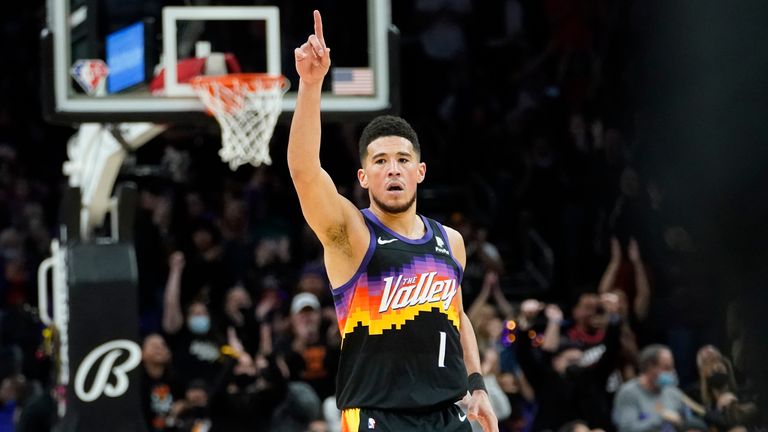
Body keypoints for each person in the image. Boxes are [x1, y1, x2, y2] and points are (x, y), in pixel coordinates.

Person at [288, 10, 497, 432]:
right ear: (364, 178)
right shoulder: (352, 233)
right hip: (375, 416)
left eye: (403, 160)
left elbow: (456, 312)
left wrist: (477, 385)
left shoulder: (449, 241)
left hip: (446, 414)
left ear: (420, 172)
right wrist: (311, 85)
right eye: (380, 161)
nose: (393, 169)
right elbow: (305, 171)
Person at [612, 344, 707, 432]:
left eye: (672, 367)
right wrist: (660, 418)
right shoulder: (628, 393)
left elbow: (691, 422)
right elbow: (626, 429)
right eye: (667, 368)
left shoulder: (673, 392)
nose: (672, 372)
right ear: (650, 367)